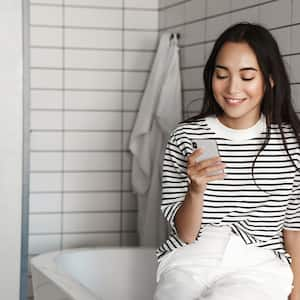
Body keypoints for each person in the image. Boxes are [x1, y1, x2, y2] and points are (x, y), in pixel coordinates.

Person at [154, 22, 300, 300]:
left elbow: (294, 230)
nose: (233, 88)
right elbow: (185, 234)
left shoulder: (290, 144)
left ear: (269, 80)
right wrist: (195, 191)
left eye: (247, 77)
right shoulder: (187, 136)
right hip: (190, 260)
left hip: (259, 263)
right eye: (222, 75)